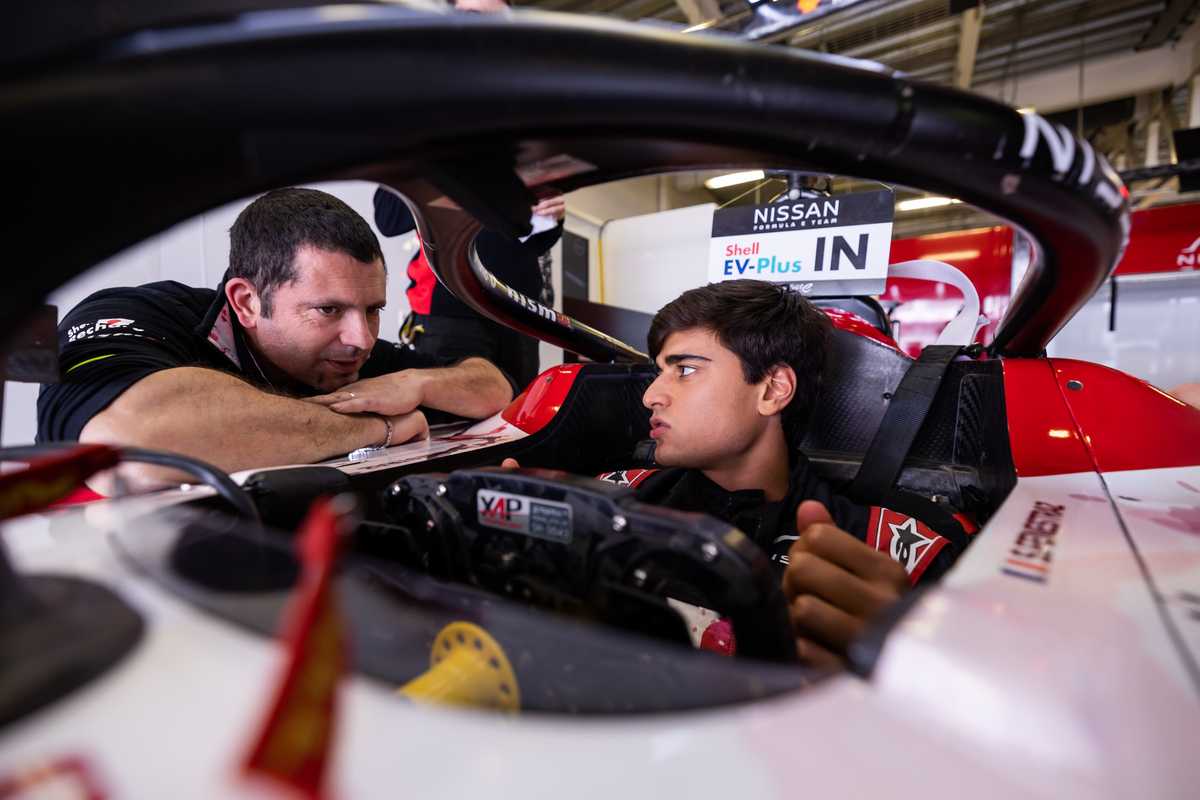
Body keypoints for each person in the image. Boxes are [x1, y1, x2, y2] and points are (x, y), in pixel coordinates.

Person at [506, 280, 972, 667]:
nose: (651, 396)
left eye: (685, 370)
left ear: (772, 390)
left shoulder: (890, 552)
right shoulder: (608, 499)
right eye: (659, 372)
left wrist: (902, 657)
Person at [37, 187, 514, 488]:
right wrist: (377, 428)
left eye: (373, 310)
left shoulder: (343, 355)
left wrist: (417, 382)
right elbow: (134, 443)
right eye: (328, 310)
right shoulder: (132, 315)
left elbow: (489, 386)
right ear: (245, 302)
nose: (362, 339)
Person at [372, 188, 564, 392]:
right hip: (451, 303)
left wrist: (552, 216)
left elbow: (537, 244)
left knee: (517, 415)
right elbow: (389, 218)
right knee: (449, 413)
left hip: (518, 310)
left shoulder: (524, 164)